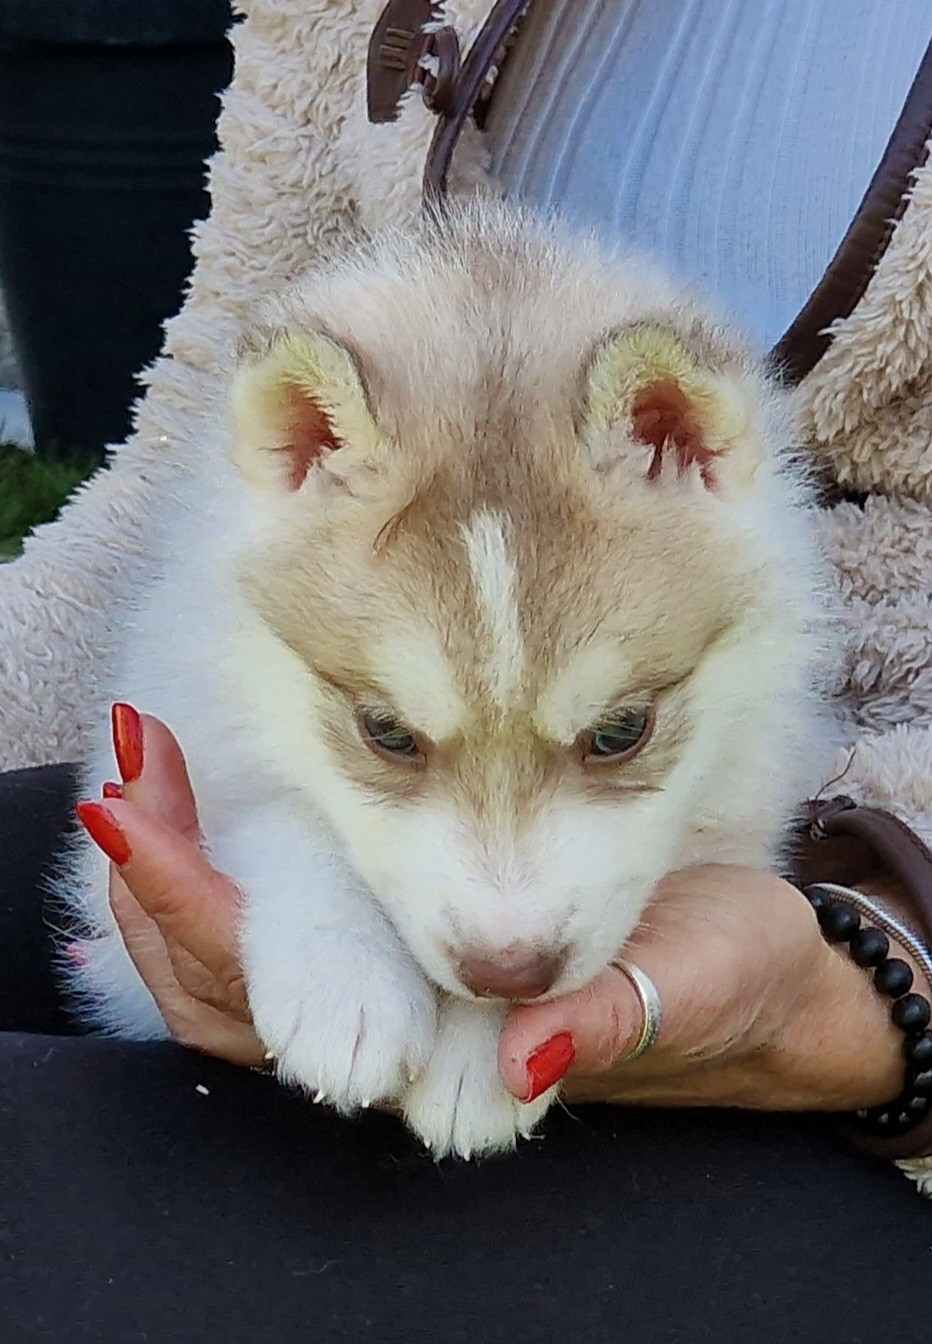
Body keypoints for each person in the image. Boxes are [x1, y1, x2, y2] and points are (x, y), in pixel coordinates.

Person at [4, 2, 932, 1340]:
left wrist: (875, 965)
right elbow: (194, 446)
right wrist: (305, 876)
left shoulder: (705, 539)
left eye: (613, 735)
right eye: (396, 734)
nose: (509, 930)